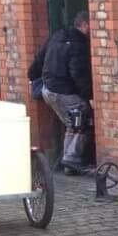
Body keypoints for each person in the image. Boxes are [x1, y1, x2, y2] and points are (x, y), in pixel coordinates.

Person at [28, 11, 93, 174]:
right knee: (81, 117)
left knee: (72, 122)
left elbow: (39, 58)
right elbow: (78, 73)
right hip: (63, 91)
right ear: (84, 25)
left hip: (48, 89)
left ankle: (69, 162)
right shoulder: (79, 44)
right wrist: (90, 96)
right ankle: (71, 160)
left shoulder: (56, 36)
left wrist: (31, 77)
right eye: (91, 26)